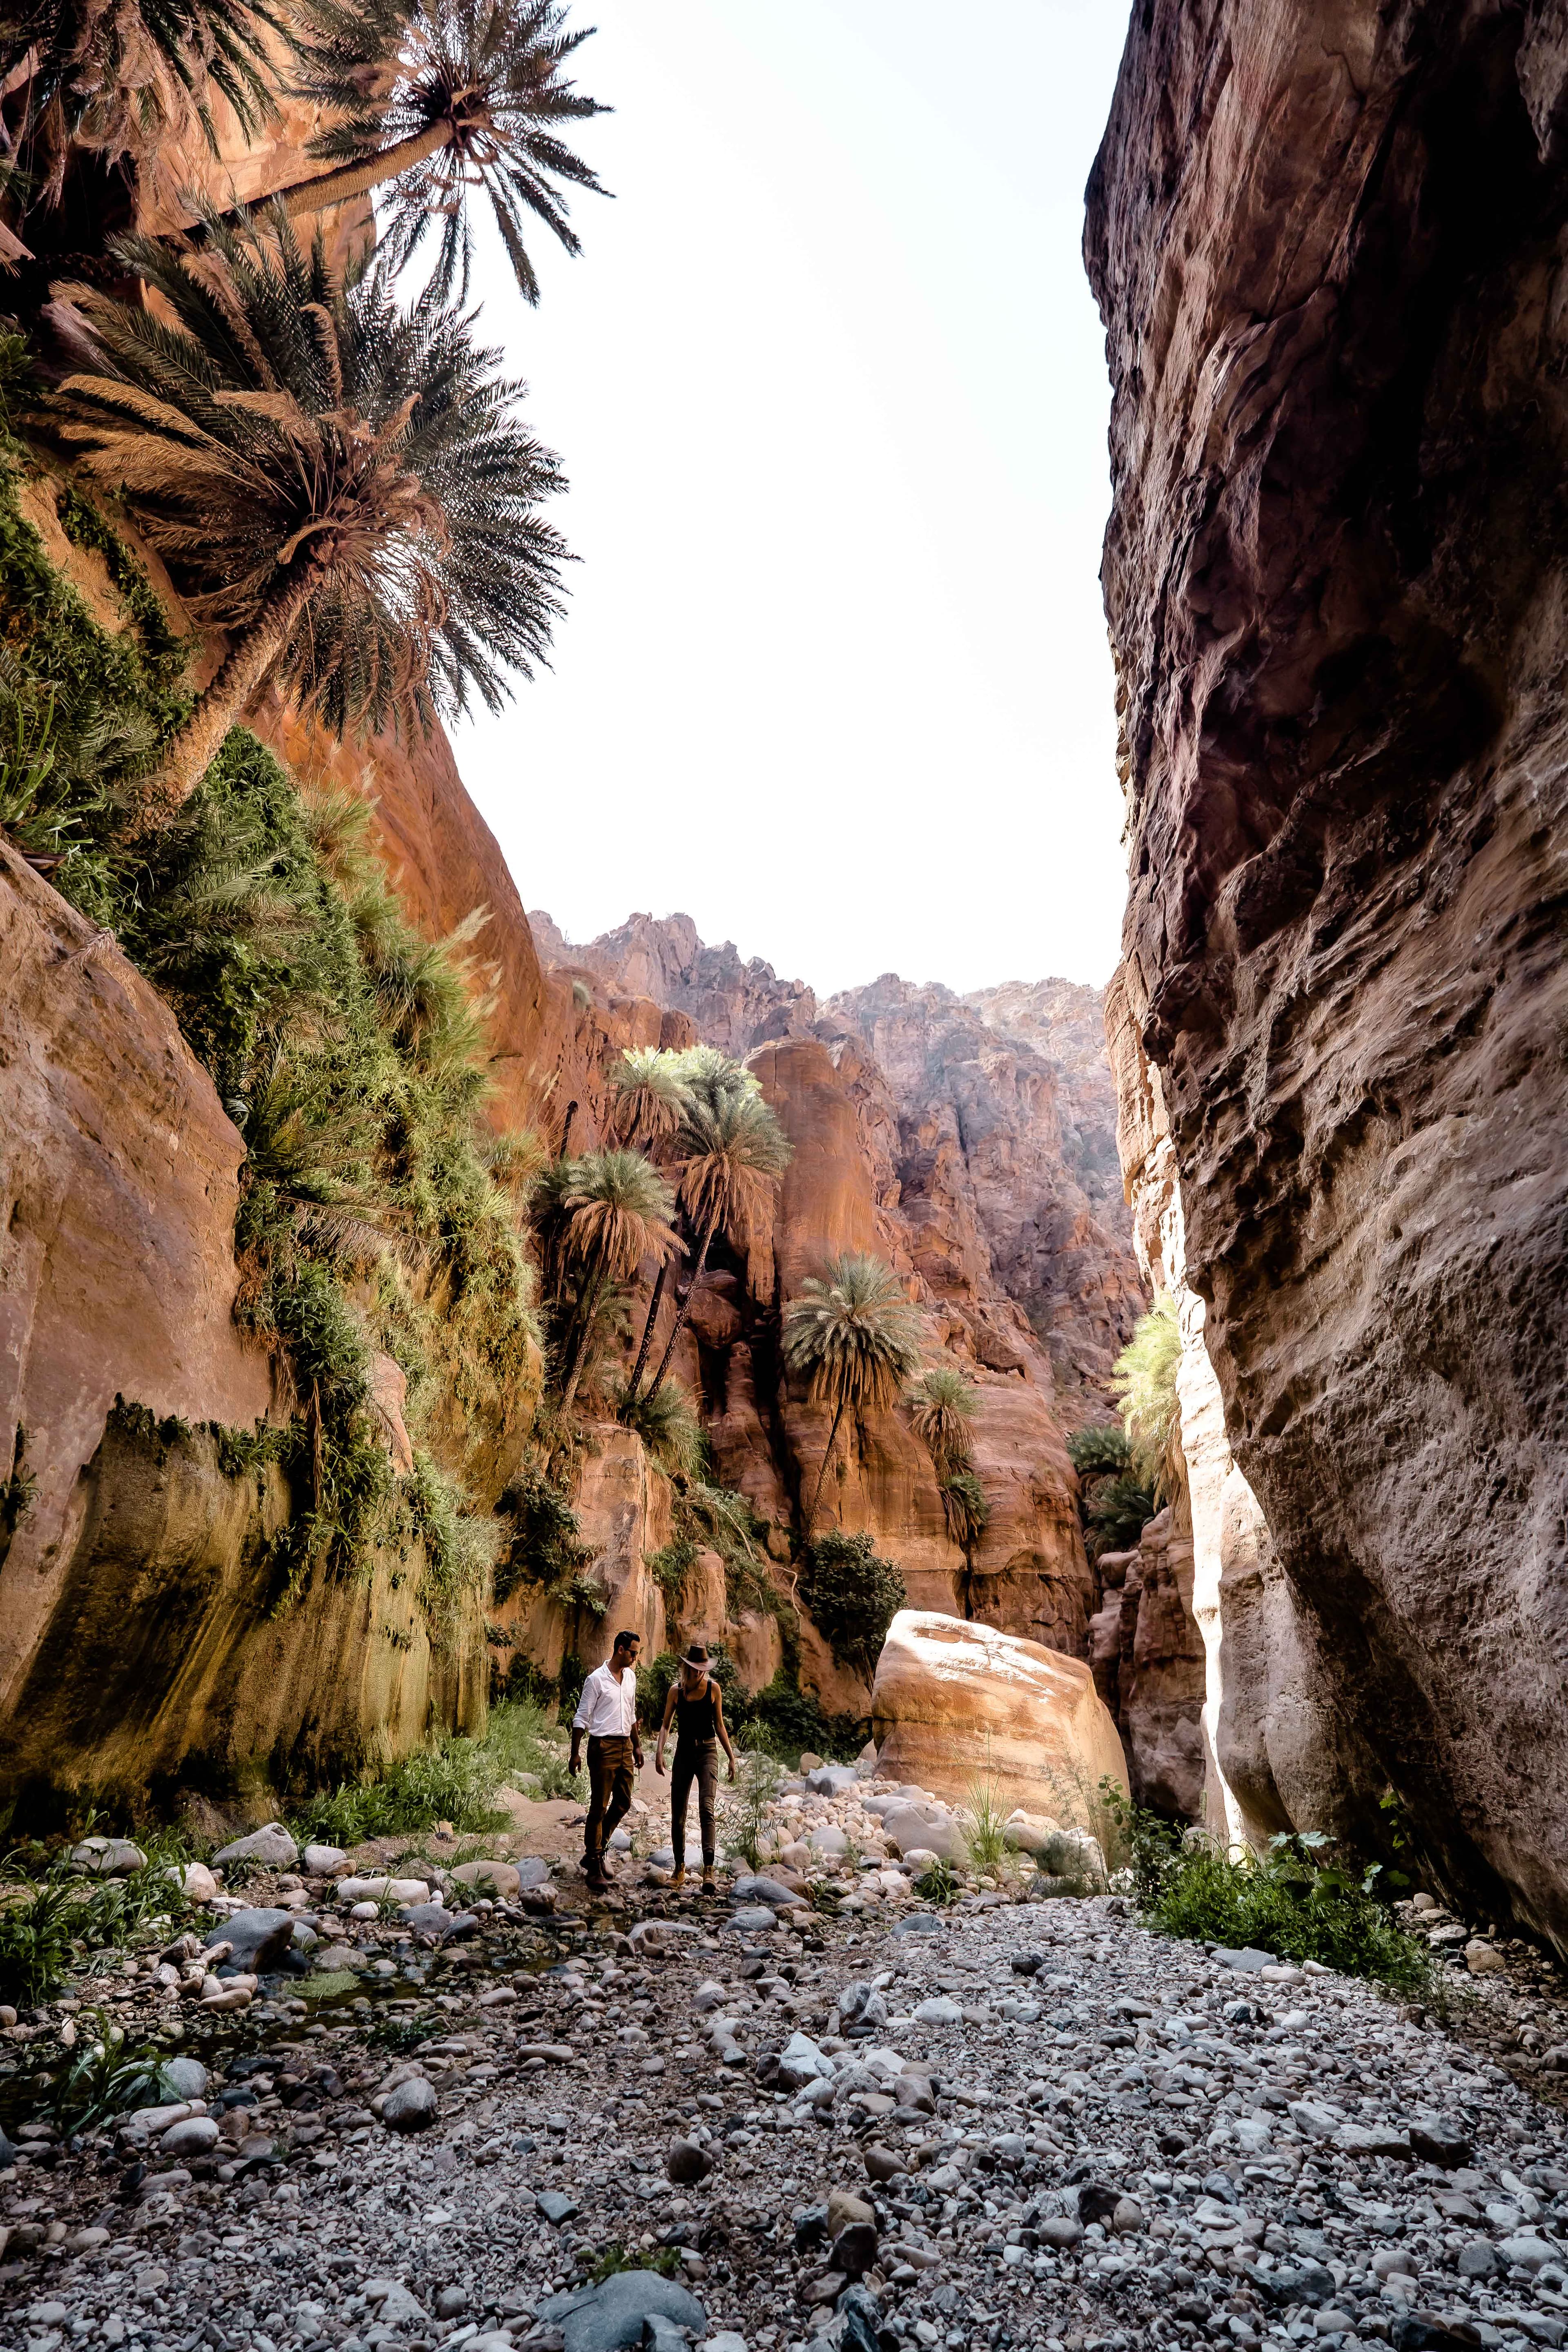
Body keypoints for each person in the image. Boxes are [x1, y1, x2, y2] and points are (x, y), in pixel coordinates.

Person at [653, 1642, 736, 1892]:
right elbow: (666, 1725)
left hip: (708, 1752)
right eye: (695, 1668)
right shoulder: (676, 1692)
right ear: (687, 1667)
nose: (700, 1672)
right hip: (684, 1753)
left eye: (703, 1668)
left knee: (706, 1808)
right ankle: (679, 1869)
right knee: (678, 1812)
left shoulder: (714, 1689)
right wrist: (659, 1751)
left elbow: (720, 1725)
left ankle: (708, 1872)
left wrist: (731, 1758)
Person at [568, 1628, 643, 1889]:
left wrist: (637, 1746)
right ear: (620, 1650)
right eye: (633, 1652)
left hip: (624, 1746)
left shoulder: (631, 1678)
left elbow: (631, 1714)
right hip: (602, 1747)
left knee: (623, 1802)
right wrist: (574, 1753)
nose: (635, 1657)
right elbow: (582, 1717)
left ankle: (595, 1853)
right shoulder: (596, 1680)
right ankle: (594, 1866)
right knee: (599, 1807)